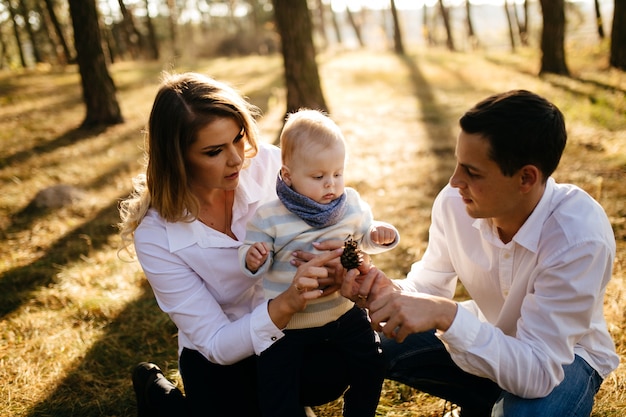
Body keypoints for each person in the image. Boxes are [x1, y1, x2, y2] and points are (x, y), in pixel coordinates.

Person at [334, 90, 619, 417]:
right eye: (458, 164)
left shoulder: (578, 238)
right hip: (488, 333)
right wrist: (384, 291)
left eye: (473, 172)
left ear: (526, 177)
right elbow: (428, 287)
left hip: (563, 359)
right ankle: (485, 400)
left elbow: (539, 372)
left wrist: (446, 315)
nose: (455, 181)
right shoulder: (455, 202)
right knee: (363, 335)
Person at [118, 72, 352, 417]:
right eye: (214, 151)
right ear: (177, 159)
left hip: (295, 332)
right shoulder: (155, 235)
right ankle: (156, 394)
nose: (237, 159)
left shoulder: (272, 166)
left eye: (238, 138)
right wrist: (286, 303)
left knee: (330, 375)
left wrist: (336, 269)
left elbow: (335, 217)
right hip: (222, 353)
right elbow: (215, 343)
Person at [238, 109, 400, 417]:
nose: (331, 185)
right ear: (287, 175)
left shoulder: (349, 203)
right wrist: (253, 257)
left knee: (372, 361)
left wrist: (379, 234)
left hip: (342, 311)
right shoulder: (270, 216)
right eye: (318, 177)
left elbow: (363, 235)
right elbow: (253, 256)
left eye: (338, 174)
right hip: (290, 324)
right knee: (277, 385)